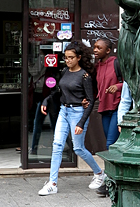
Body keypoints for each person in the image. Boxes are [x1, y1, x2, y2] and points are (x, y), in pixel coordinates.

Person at [38, 42, 105, 195]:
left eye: (71, 57)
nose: (67, 60)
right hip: (64, 110)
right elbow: (58, 91)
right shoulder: (64, 72)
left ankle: (99, 173)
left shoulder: (85, 76)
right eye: (66, 57)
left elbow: (90, 100)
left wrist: (81, 122)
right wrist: (47, 100)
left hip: (78, 113)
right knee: (57, 145)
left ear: (79, 58)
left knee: (78, 148)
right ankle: (52, 183)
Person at [92, 37, 123, 149]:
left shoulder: (116, 63)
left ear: (108, 51)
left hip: (117, 108)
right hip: (104, 108)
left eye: (99, 48)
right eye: (94, 47)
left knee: (110, 143)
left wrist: (118, 86)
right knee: (112, 142)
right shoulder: (97, 67)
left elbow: (130, 83)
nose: (95, 50)